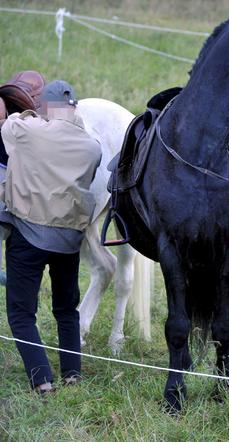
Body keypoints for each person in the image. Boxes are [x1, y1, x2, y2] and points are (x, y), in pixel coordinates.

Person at [0, 80, 102, 394]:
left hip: (27, 236)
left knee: (21, 313)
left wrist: (34, 112)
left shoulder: (28, 131)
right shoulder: (92, 147)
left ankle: (42, 380)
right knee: (66, 309)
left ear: (45, 107)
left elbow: (9, 123)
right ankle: (72, 374)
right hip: (68, 241)